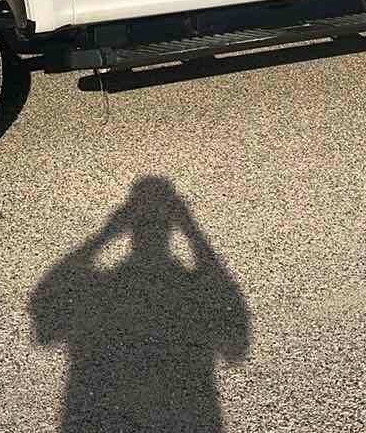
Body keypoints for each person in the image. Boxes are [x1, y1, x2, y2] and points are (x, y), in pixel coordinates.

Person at [30, 176, 250, 432]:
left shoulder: (103, 288)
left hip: (102, 412)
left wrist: (106, 234)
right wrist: (191, 230)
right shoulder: (184, 286)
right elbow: (235, 342)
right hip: (184, 415)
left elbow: (46, 306)